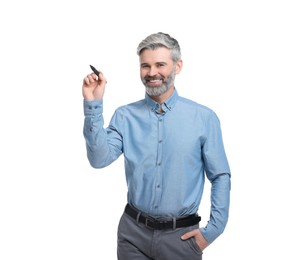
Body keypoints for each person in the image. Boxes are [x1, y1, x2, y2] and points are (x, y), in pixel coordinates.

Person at [82, 32, 231, 260]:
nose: (152, 73)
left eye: (160, 64)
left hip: (182, 240)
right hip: (133, 237)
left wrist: (213, 231)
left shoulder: (204, 118)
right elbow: (99, 159)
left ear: (177, 66)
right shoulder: (125, 116)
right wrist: (93, 104)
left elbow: (220, 176)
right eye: (145, 66)